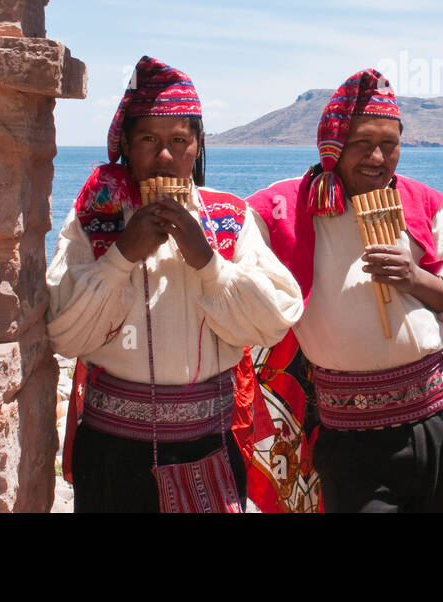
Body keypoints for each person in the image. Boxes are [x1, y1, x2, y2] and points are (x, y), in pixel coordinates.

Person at [46, 56, 303, 512]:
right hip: (112, 452)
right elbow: (66, 335)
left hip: (210, 446)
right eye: (148, 139)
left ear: (198, 145)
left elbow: (273, 321)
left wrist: (206, 261)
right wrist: (122, 254)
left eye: (180, 140)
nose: (165, 156)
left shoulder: (230, 216)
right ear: (126, 142)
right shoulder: (93, 218)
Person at [246, 68, 443, 513]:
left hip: (440, 417)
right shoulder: (285, 208)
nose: (378, 158)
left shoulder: (417, 201)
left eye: (390, 145)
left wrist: (416, 279)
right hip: (351, 435)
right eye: (362, 144)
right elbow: (234, 265)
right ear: (334, 148)